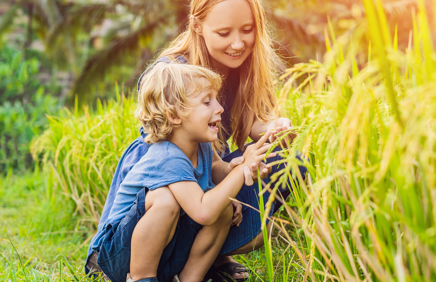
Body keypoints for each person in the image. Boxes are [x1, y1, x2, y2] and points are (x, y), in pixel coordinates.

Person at [86, 0, 306, 280]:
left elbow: (237, 138)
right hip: (157, 201)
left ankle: (195, 269)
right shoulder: (169, 81)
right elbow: (185, 177)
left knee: (282, 161)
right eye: (224, 33)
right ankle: (142, 273)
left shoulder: (237, 75)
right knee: (169, 200)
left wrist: (273, 133)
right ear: (197, 26)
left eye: (247, 29)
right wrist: (233, 176)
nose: (238, 43)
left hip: (196, 185)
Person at [91, 62, 275, 282]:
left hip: (165, 249)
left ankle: (188, 279)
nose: (219, 108)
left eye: (216, 99)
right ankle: (142, 278)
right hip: (118, 255)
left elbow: (212, 178)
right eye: (207, 102)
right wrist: (238, 174)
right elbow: (202, 211)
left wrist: (242, 165)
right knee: (165, 199)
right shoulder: (167, 156)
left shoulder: (201, 145)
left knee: (223, 209)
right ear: (175, 116)